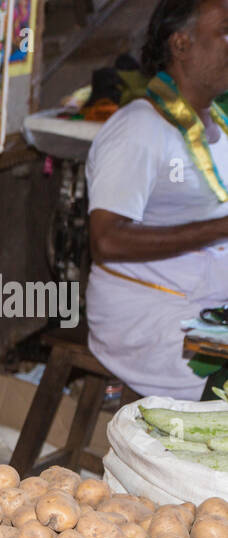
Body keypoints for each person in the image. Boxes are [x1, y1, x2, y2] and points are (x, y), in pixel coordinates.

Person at [85, 0, 228, 399]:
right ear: (181, 45)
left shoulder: (216, 122)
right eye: (226, 31)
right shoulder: (139, 129)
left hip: (205, 304)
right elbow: (106, 240)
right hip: (151, 321)